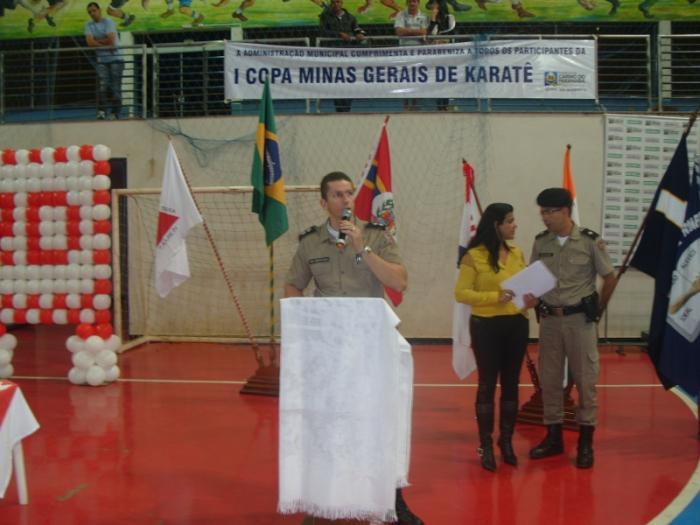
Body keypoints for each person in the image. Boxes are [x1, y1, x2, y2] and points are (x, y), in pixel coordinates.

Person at [285, 172, 422, 525]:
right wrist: (305, 328)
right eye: (337, 195)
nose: (346, 200)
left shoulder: (376, 235)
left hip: (371, 348)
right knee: (325, 423)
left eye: (349, 194)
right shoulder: (310, 244)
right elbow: (292, 287)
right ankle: (318, 501)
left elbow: (399, 280)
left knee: (381, 420)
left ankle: (392, 500)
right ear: (323, 202)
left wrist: (364, 249)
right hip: (328, 350)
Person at [529, 188, 616, 469]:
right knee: (551, 381)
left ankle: (586, 441)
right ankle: (554, 437)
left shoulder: (590, 242)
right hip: (550, 322)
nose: (544, 217)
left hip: (580, 322)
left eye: (549, 212)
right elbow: (533, 279)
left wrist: (598, 310)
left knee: (585, 380)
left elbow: (609, 277)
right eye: (542, 211)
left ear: (565, 211)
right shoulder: (541, 242)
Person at [454, 203, 537, 472]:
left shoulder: (517, 253)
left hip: (516, 325)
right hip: (486, 327)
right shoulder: (473, 256)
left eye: (514, 220)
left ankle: (506, 440)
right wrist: (494, 297)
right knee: (487, 385)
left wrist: (530, 299)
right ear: (496, 225)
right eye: (510, 221)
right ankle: (486, 444)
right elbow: (461, 293)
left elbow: (524, 289)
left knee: (512, 384)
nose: (515, 225)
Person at [319, 0, 365, 113]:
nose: (336, 4)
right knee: (336, 82)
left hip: (348, 55)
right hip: (333, 55)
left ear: (342, 3)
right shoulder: (325, 16)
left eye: (338, 2)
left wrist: (360, 34)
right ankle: (339, 109)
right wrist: (339, 34)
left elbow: (357, 29)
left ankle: (347, 108)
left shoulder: (350, 17)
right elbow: (322, 31)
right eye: (334, 2)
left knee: (348, 82)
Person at [85, 2, 125, 120]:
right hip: (102, 60)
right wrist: (104, 41)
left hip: (116, 59)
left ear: (99, 10)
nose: (92, 13)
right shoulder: (88, 25)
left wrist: (97, 41)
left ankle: (115, 112)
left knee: (115, 86)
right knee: (102, 86)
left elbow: (111, 41)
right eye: (90, 12)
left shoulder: (108, 22)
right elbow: (89, 43)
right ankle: (101, 111)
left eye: (94, 10)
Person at [394, 0, 428, 111]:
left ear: (418, 3)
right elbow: (399, 32)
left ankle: (414, 105)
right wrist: (417, 31)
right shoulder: (400, 14)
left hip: (419, 52)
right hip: (404, 52)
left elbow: (424, 32)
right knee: (405, 79)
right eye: (410, 1)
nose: (412, 3)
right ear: (407, 3)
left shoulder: (423, 16)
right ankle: (405, 105)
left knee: (417, 79)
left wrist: (407, 30)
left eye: (415, 1)